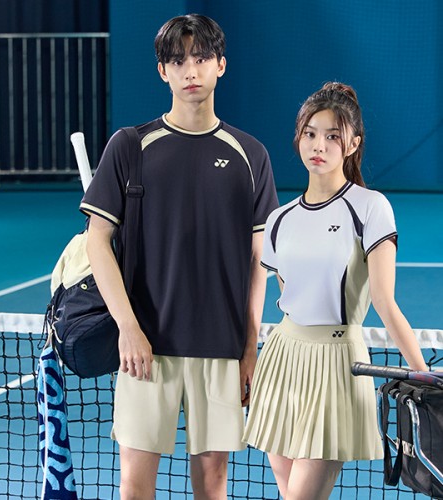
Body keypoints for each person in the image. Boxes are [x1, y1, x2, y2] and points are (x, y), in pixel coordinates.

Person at [80, 14, 279, 499]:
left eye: (202, 58)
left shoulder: (251, 155)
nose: (191, 70)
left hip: (221, 348)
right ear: (162, 72)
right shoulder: (130, 146)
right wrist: (128, 328)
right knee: (135, 481)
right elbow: (96, 241)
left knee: (213, 482)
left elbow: (259, 260)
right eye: (177, 61)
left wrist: (249, 347)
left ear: (221, 65)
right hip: (146, 347)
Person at [243, 82, 428, 500]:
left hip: (338, 365)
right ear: (298, 138)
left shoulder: (371, 208)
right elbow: (286, 296)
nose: (319, 145)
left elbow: (384, 301)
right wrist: (247, 354)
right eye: (310, 133)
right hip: (281, 360)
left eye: (332, 136)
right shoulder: (279, 219)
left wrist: (423, 376)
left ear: (353, 144)